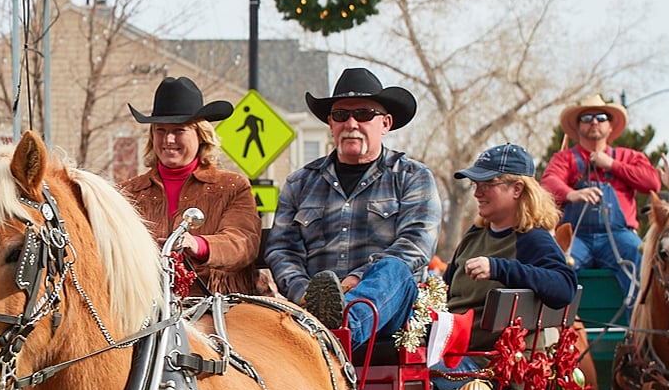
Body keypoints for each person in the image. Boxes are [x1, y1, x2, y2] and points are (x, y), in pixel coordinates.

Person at [265, 67, 442, 348]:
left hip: (389, 315)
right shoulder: (299, 182)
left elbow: (416, 245)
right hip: (309, 311)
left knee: (395, 267)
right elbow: (281, 249)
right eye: (340, 115)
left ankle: (341, 329)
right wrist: (306, 293)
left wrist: (354, 282)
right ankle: (328, 319)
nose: (351, 123)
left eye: (363, 114)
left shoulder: (412, 176)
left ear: (385, 123)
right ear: (331, 124)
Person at [422, 143, 577, 370]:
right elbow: (444, 291)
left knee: (417, 378)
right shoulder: (474, 237)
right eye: (476, 184)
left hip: (492, 367)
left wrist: (499, 268)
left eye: (488, 184)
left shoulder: (532, 239)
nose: (477, 193)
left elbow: (565, 287)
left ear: (517, 189)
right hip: (448, 352)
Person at [120, 76, 261, 295]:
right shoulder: (128, 193)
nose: (168, 140)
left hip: (218, 310)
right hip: (147, 310)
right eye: (161, 130)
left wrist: (197, 245)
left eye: (179, 130)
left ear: (201, 135)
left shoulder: (233, 187)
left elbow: (242, 244)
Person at [539, 93, 660, 300]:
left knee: (640, 260)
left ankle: (639, 330)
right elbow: (548, 183)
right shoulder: (564, 158)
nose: (594, 122)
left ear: (610, 127)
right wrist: (572, 194)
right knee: (556, 264)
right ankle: (557, 328)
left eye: (601, 117)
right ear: (578, 128)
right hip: (576, 236)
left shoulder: (629, 157)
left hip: (619, 235)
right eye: (586, 118)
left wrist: (612, 165)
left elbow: (652, 182)